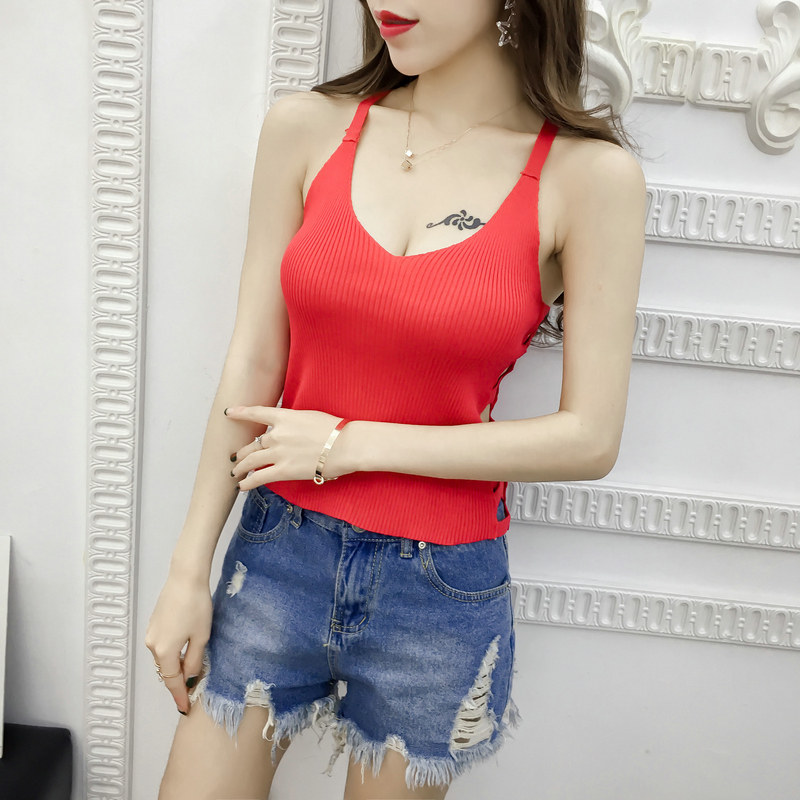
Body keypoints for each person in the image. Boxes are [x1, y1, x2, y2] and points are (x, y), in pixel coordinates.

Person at [147, 0, 646, 797]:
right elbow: (254, 359)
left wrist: (347, 444)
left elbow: (590, 437)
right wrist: (185, 571)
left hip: (438, 592)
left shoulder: (589, 179)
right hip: (277, 555)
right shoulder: (308, 129)